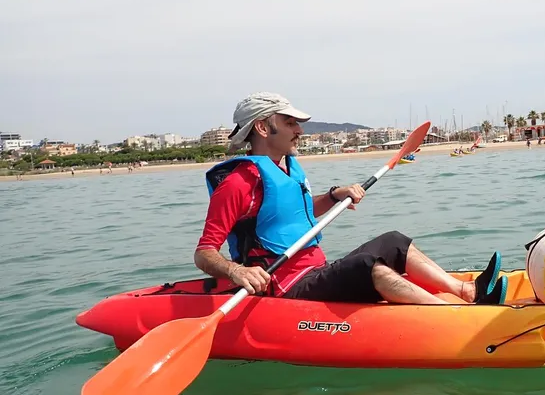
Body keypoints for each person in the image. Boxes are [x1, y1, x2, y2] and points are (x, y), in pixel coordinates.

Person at [195, 92, 507, 305]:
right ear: (263, 127)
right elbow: (205, 252)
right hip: (284, 287)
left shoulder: (285, 169)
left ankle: (467, 291)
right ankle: (454, 317)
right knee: (367, 266)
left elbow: (292, 212)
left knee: (395, 241)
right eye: (289, 122)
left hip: (313, 271)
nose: (299, 130)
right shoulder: (237, 183)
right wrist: (237, 272)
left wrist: (333, 196)